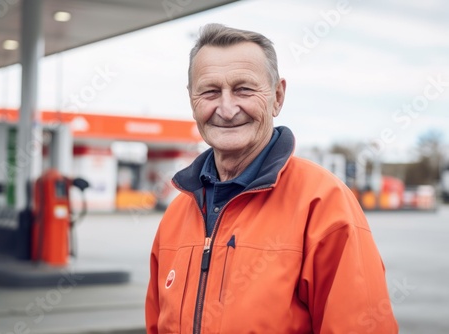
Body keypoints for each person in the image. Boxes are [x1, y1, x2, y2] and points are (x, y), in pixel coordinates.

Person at [145, 23, 398, 333]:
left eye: (244, 89)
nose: (226, 109)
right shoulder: (176, 216)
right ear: (192, 100)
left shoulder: (324, 205)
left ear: (278, 96)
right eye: (210, 91)